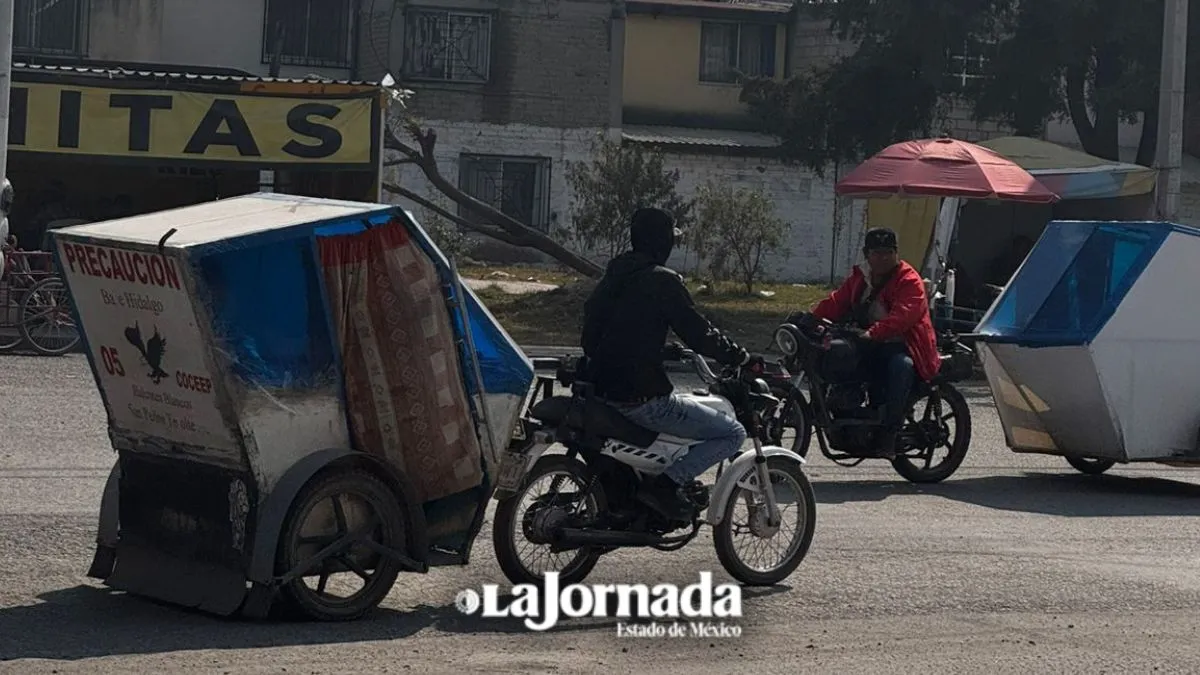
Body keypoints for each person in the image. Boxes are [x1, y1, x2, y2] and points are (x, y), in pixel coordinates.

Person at [581, 207, 755, 520]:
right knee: (732, 434)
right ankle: (666, 485)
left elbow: (602, 334)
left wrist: (656, 351)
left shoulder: (615, 275)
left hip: (600, 392)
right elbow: (698, 333)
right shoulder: (663, 281)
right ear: (663, 242)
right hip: (642, 400)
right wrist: (737, 354)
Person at [810, 227, 941, 457]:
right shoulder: (861, 277)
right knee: (836, 356)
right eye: (876, 253)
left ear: (896, 253)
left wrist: (874, 333)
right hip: (868, 342)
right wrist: (810, 319)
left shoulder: (909, 280)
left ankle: (890, 431)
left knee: (900, 366)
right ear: (867, 254)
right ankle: (845, 409)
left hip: (906, 345)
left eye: (887, 253)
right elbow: (836, 302)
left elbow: (904, 315)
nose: (882, 258)